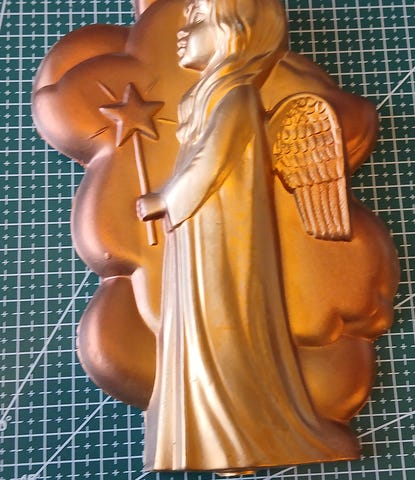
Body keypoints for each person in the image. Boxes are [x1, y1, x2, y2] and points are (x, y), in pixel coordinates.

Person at [136, 0, 359, 473]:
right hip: (197, 234)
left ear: (235, 32)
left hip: (222, 244)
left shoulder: (237, 96)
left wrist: (164, 199)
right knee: (199, 327)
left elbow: (211, 162)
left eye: (197, 19)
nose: (182, 31)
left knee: (223, 325)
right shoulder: (209, 98)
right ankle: (207, 434)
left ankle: (237, 431)